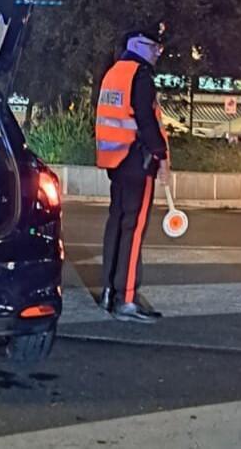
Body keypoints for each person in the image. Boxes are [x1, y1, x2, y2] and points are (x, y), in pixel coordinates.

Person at [95, 26, 169, 323]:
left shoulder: (113, 73)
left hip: (116, 159)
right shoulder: (140, 75)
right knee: (134, 229)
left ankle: (108, 293)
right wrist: (161, 155)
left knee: (116, 223)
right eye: (155, 47)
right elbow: (145, 119)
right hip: (138, 160)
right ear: (139, 45)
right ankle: (125, 299)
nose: (158, 53)